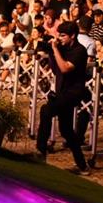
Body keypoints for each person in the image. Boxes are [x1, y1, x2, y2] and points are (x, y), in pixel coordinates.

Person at [35, 21, 91, 174]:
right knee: (66, 130)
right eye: (58, 35)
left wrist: (55, 50)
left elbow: (66, 68)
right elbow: (56, 70)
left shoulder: (80, 51)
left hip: (73, 93)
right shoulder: (62, 48)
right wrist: (53, 52)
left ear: (72, 36)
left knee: (46, 110)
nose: (59, 38)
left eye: (63, 35)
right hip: (61, 91)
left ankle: (41, 151)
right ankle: (82, 166)